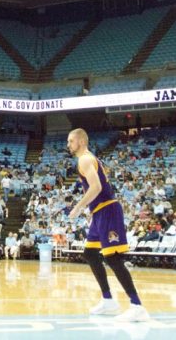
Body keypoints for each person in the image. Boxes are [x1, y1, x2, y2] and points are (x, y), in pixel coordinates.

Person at [67, 128, 148, 322]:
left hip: (108, 210)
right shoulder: (86, 159)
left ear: (81, 141)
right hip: (99, 213)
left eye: (71, 141)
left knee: (113, 258)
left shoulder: (85, 159)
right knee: (90, 253)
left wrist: (78, 207)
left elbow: (97, 187)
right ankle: (108, 300)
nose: (68, 145)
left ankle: (137, 306)